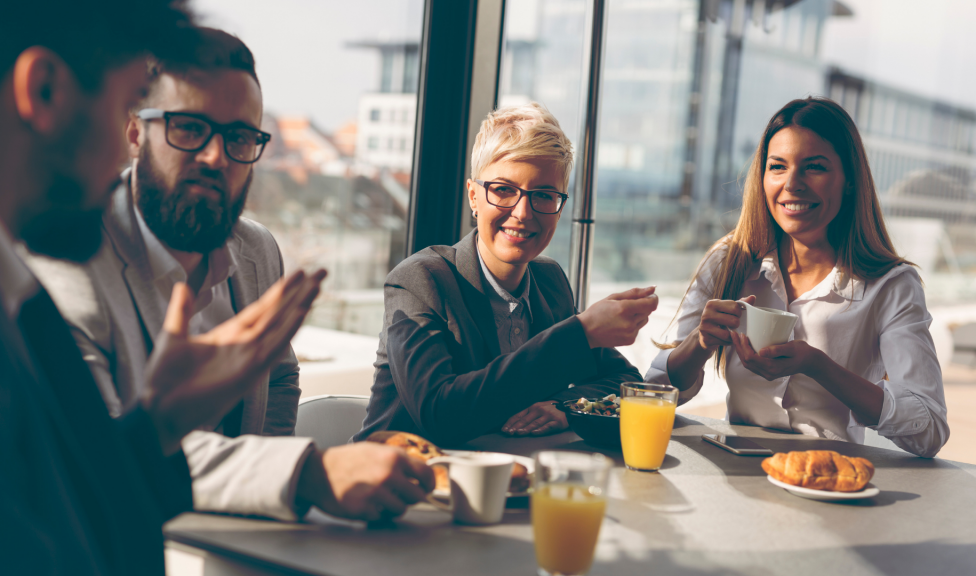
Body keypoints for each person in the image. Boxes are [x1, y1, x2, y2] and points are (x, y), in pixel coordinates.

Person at [29, 27, 435, 523]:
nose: (216, 157)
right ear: (136, 130)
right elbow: (98, 450)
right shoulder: (70, 259)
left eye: (239, 136)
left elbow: (280, 379)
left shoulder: (257, 249)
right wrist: (301, 473)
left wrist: (261, 510)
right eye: (189, 127)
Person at [0, 1, 326, 574]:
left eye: (238, 139)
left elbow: (76, 515)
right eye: (126, 105)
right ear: (44, 91)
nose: (214, 158)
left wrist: (160, 425)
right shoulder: (48, 287)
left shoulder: (18, 292)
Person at [647, 97, 949, 458]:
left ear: (849, 180)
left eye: (814, 167)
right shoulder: (729, 261)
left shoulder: (892, 285)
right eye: (778, 167)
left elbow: (929, 429)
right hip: (737, 476)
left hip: (830, 481)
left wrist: (817, 366)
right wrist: (698, 343)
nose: (792, 184)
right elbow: (653, 393)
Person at [356, 103, 658, 446]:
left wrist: (563, 406)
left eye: (543, 195)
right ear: (474, 196)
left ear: (560, 208)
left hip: (507, 481)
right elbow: (440, 415)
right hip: (404, 483)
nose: (522, 212)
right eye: (503, 190)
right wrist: (580, 332)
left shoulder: (550, 282)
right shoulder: (420, 280)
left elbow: (625, 380)